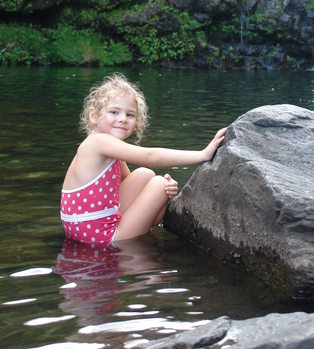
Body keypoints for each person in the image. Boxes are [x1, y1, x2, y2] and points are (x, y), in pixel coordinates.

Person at [60, 74, 227, 244]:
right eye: (114, 112)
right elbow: (150, 157)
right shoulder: (98, 143)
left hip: (85, 234)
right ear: (94, 115)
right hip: (102, 238)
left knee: (145, 175)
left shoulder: (107, 148)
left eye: (130, 115)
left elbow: (140, 204)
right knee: (158, 183)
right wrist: (202, 154)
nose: (123, 119)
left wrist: (165, 195)